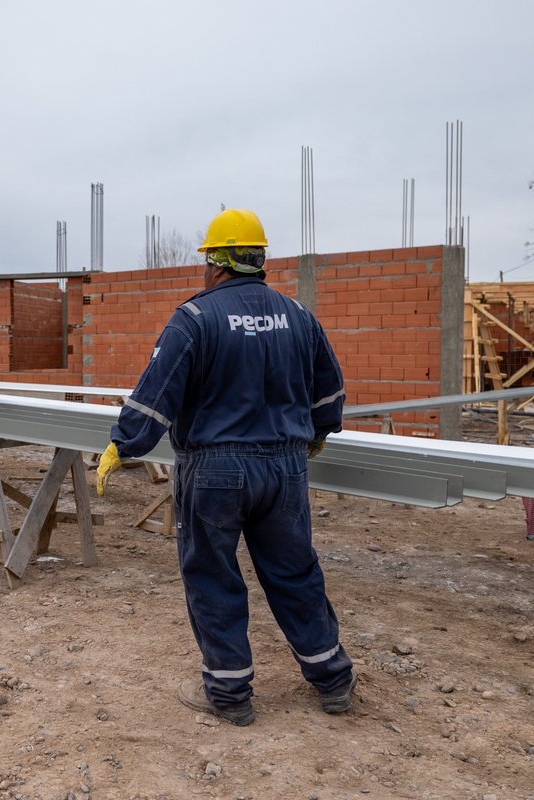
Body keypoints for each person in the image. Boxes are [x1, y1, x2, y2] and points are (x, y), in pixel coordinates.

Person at [96, 208, 354, 726]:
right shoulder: (298, 316)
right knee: (294, 571)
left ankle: (231, 693)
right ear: (260, 260)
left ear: (215, 262)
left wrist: (124, 445)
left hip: (215, 469)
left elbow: (157, 393)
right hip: (285, 468)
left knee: (212, 575)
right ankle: (333, 680)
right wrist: (319, 431)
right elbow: (329, 391)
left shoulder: (195, 317)